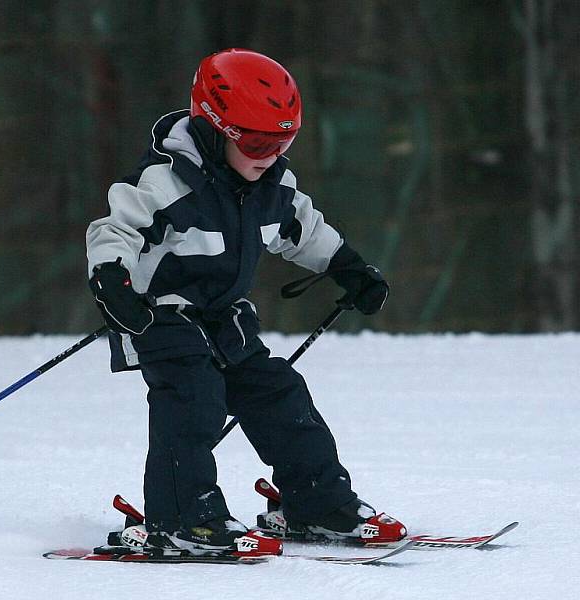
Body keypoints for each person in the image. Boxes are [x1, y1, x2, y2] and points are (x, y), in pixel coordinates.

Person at [86, 48, 404, 555]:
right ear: (214, 127)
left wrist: (348, 267)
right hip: (158, 316)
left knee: (280, 395)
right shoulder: (165, 182)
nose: (270, 153)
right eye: (256, 139)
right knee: (194, 399)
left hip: (224, 318)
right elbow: (115, 229)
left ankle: (317, 505)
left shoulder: (270, 185)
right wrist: (111, 279)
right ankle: (183, 518)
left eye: (283, 140)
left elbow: (302, 230)